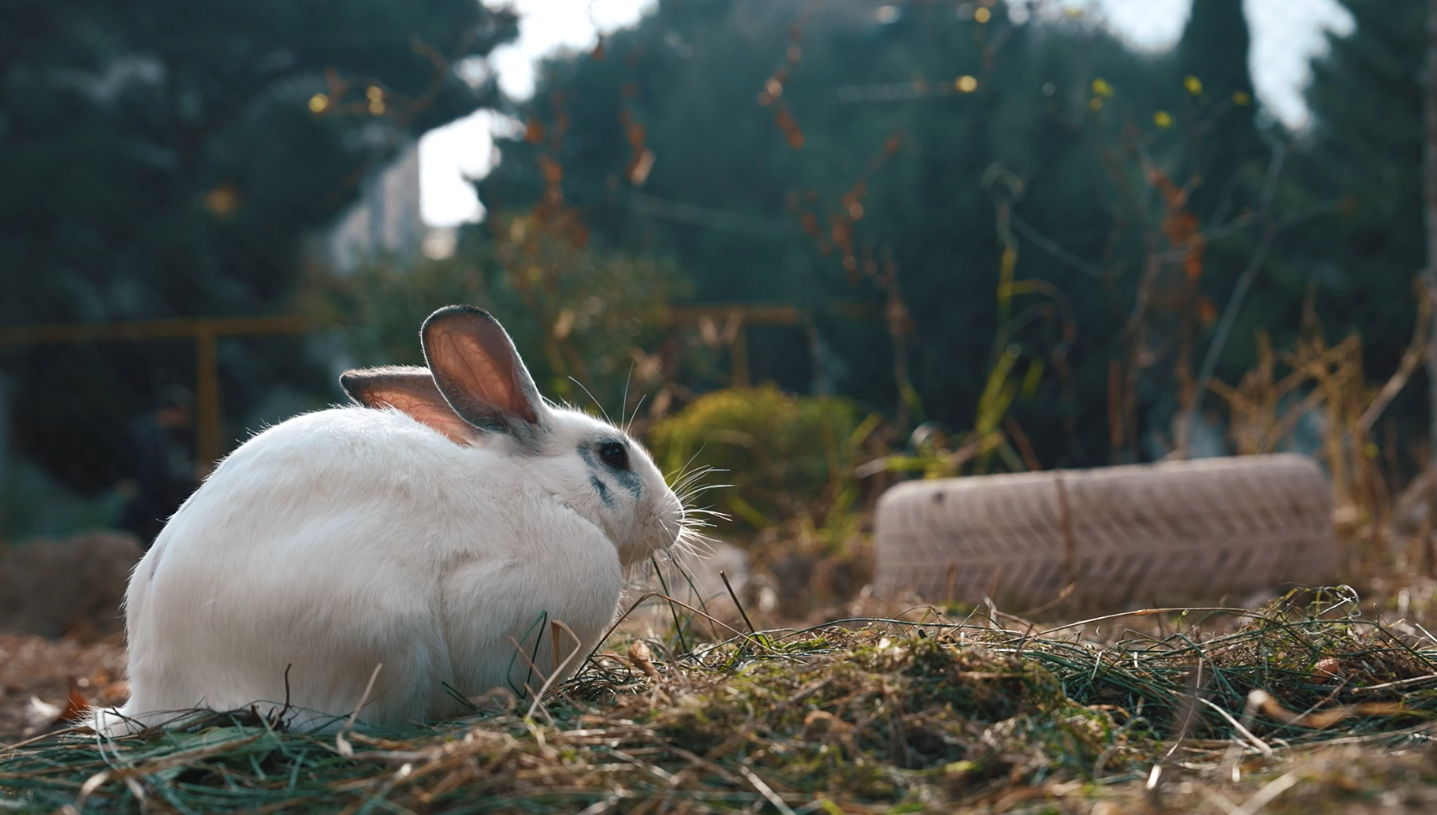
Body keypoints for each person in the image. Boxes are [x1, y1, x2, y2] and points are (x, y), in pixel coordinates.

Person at [118, 385, 202, 548]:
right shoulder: (147, 434)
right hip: (146, 509)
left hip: (156, 505)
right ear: (175, 410)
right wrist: (191, 476)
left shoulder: (169, 434)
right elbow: (154, 475)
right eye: (185, 412)